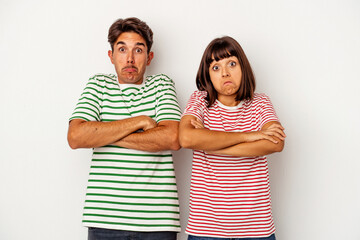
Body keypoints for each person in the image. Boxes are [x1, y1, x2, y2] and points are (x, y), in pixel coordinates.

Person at [67, 17, 181, 240]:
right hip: (103, 219)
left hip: (157, 221)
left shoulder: (162, 84)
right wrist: (139, 121)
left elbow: (172, 138)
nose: (129, 58)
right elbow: (76, 136)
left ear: (149, 58)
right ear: (111, 56)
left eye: (138, 50)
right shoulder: (98, 84)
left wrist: (102, 134)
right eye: (122, 49)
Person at [179, 36, 286, 240]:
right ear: (208, 75)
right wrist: (250, 136)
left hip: (257, 228)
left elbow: (276, 142)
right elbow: (186, 138)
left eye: (232, 63)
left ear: (243, 67)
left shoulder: (260, 102)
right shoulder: (200, 100)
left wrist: (208, 144)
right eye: (216, 67)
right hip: (206, 228)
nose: (225, 72)